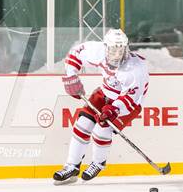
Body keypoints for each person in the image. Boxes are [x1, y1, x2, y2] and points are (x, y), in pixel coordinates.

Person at [54, 28, 149, 183]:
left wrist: (114, 108)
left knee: (102, 129)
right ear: (106, 47)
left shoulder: (135, 68)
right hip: (104, 93)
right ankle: (71, 166)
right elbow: (75, 55)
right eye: (113, 50)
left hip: (128, 104)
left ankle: (98, 163)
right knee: (82, 125)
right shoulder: (96, 50)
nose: (117, 54)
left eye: (121, 50)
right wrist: (71, 77)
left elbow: (131, 97)